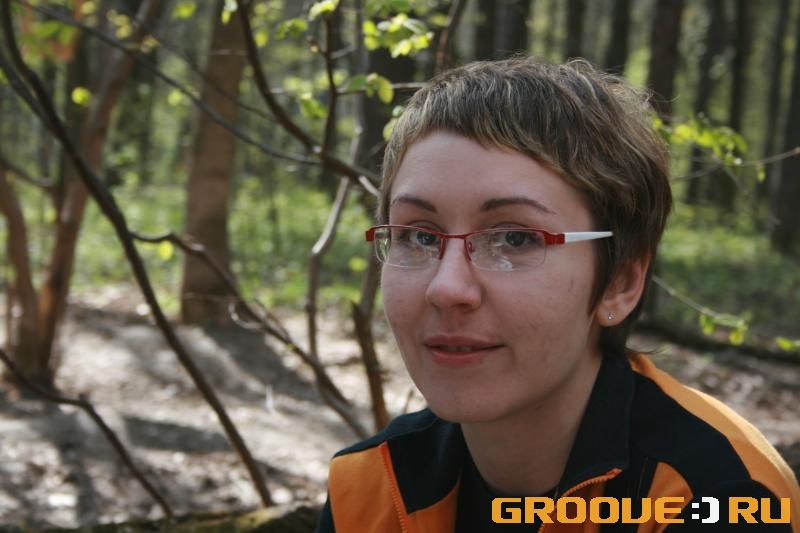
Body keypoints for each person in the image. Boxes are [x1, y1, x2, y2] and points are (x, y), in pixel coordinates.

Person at [315, 57, 800, 532]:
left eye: (514, 238)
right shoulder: (372, 490)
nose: (447, 288)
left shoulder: (720, 495)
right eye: (420, 235)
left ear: (620, 282)